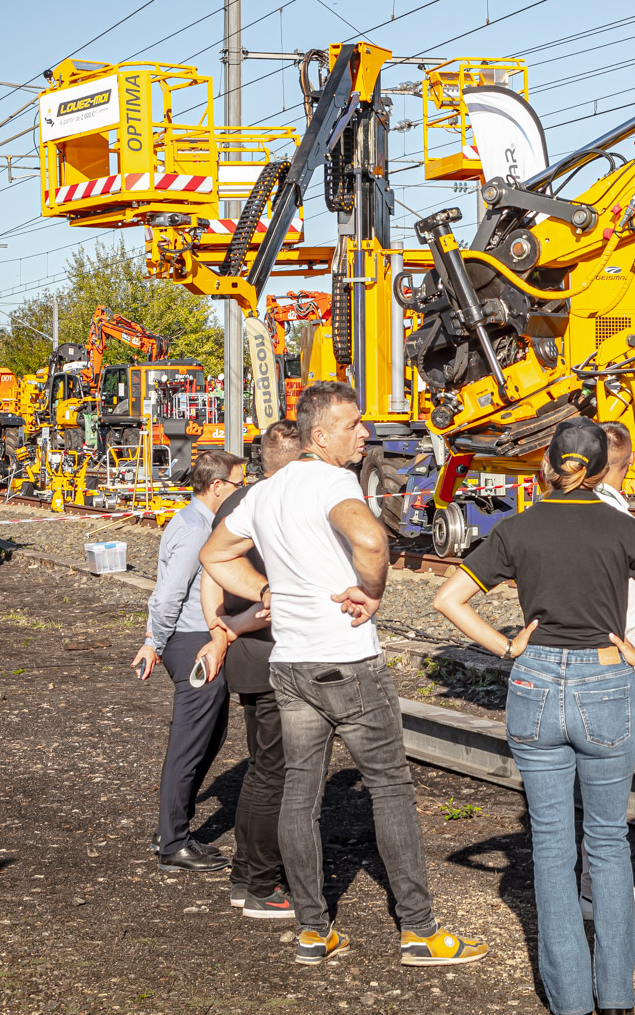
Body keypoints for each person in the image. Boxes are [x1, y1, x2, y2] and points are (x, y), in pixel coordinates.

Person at [199, 382, 489, 968]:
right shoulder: (334, 482)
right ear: (320, 434)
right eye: (355, 425)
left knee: (299, 796)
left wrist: (265, 591)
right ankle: (419, 930)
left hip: (291, 665)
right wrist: (372, 592)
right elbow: (369, 536)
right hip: (347, 662)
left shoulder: (264, 491)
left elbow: (213, 556)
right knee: (390, 789)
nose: (366, 434)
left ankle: (313, 929)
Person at [433, 418, 635, 1015]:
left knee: (552, 846)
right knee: (608, 842)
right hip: (606, 681)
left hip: (535, 681)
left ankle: (568, 1002)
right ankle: (616, 998)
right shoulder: (623, 528)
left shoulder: (518, 527)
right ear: (602, 468)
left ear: (549, 467)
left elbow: (447, 599)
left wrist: (506, 646)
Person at [194, 418, 304, 920]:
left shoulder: (240, 502)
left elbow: (210, 568)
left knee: (263, 769)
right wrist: (234, 629)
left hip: (249, 654)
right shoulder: (287, 504)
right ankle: (261, 884)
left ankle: (245, 876)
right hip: (272, 650)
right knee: (276, 773)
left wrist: (218, 631)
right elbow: (284, 596)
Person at [131, 449, 246, 873]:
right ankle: (173, 842)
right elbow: (168, 594)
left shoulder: (199, 522)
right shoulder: (196, 530)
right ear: (217, 487)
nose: (243, 491)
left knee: (210, 736)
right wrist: (153, 642)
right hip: (191, 639)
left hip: (197, 636)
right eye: (239, 484)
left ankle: (172, 828)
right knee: (189, 743)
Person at [584, 420, 635, 922]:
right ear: (627, 465)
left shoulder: (557, 514)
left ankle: (588, 885)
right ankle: (604, 891)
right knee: (610, 794)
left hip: (561, 667)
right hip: (613, 669)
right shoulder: (624, 525)